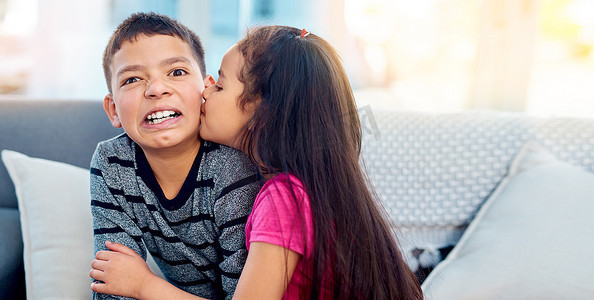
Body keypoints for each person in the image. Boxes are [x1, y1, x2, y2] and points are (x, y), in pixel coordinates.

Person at [91, 25, 423, 299]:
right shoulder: (291, 190)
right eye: (132, 79)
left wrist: (144, 285)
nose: (206, 94)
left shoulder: (282, 199)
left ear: (260, 114)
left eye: (219, 85)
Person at [88, 12, 262, 300]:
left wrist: (144, 285)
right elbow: (114, 282)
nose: (156, 89)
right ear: (113, 110)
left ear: (206, 89)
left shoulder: (233, 169)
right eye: (132, 79)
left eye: (177, 72)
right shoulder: (111, 163)